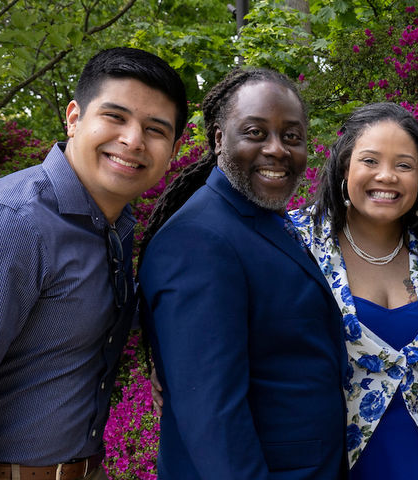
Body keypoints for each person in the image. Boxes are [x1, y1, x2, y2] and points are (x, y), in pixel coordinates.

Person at [0, 47, 184, 480]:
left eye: (155, 129)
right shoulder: (9, 221)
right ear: (74, 118)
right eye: (115, 117)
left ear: (170, 149)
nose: (133, 140)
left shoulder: (114, 226)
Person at [139, 68, 345, 479]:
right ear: (219, 139)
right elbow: (213, 418)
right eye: (255, 132)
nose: (277, 150)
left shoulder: (261, 218)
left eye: (291, 136)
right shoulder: (198, 239)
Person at [287, 102, 418, 480]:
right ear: (345, 166)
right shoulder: (296, 242)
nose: (386, 176)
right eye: (370, 161)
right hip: (332, 460)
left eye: (404, 165)